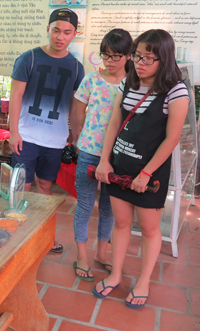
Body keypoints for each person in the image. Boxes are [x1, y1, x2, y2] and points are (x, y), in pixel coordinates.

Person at [94, 29, 189, 308]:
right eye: (137, 56)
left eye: (149, 58)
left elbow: (172, 138)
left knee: (148, 228)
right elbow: (114, 123)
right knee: (121, 223)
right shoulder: (129, 82)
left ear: (164, 59)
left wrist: (146, 173)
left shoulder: (175, 90)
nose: (140, 63)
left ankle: (144, 280)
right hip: (120, 165)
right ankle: (115, 274)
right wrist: (104, 159)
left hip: (151, 174)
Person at [9, 8, 85, 253]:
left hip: (55, 140)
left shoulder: (76, 67)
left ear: (75, 34)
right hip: (26, 136)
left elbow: (74, 106)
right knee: (21, 187)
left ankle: (46, 236)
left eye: (66, 32)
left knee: (45, 187)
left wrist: (75, 137)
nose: (60, 37)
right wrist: (13, 132)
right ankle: (15, 234)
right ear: (48, 29)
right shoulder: (28, 58)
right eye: (55, 30)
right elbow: (16, 96)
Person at [70, 29, 132, 281]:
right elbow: (78, 111)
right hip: (89, 152)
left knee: (108, 209)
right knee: (84, 205)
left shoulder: (133, 84)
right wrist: (78, 139)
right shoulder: (91, 80)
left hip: (118, 157)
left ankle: (102, 253)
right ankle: (81, 255)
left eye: (116, 56)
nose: (109, 61)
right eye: (105, 55)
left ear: (128, 56)